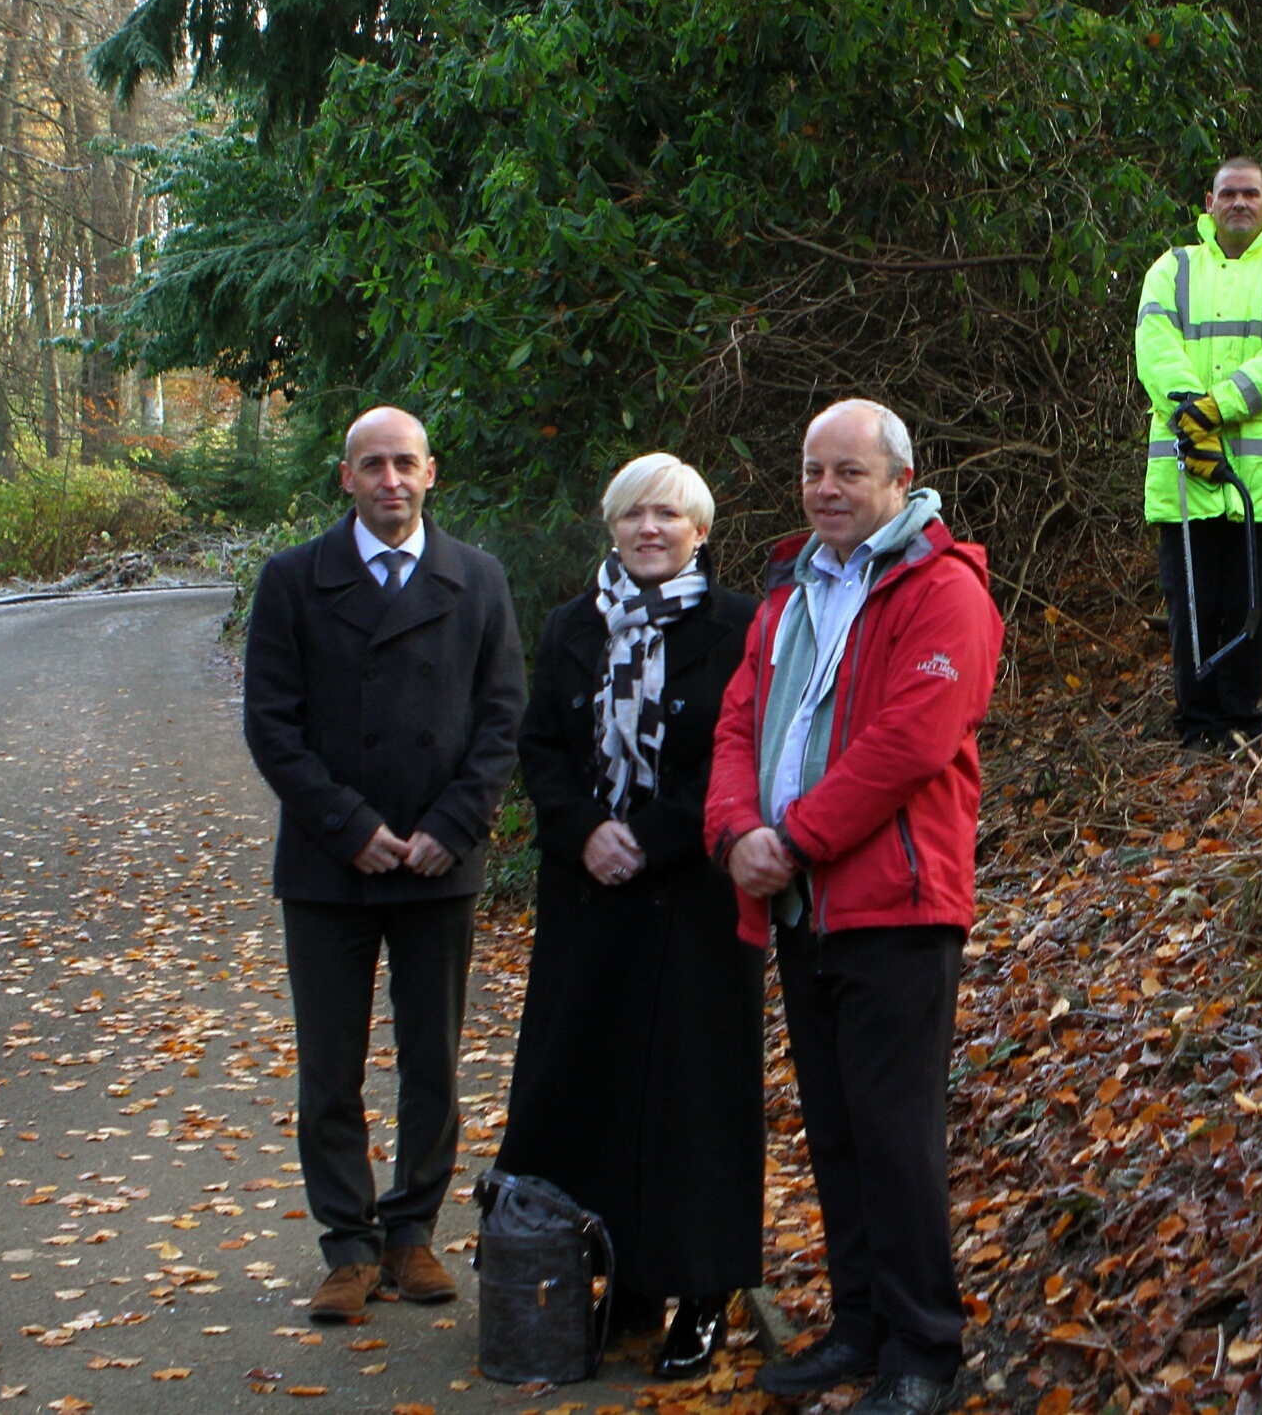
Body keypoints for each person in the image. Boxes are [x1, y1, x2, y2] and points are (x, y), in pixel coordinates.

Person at [704, 400, 1003, 1415]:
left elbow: (909, 744)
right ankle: (861, 1327)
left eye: (847, 473)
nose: (825, 490)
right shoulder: (788, 595)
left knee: (893, 1134)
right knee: (833, 1132)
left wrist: (791, 839)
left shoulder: (941, 590)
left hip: (897, 906)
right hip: (799, 909)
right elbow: (739, 721)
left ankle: (924, 1351)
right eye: (810, 472)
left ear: (897, 482)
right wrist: (734, 830)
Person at [241, 406, 525, 1323]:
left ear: (432, 473)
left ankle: (412, 1235)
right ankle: (348, 1248)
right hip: (330, 865)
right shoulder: (291, 579)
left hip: (441, 861)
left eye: (405, 462)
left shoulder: (477, 578)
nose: (390, 479)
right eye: (373, 464)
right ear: (346, 476)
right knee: (331, 1066)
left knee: (434, 1060)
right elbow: (272, 728)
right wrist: (350, 824)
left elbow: (502, 717)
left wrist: (455, 821)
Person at [494, 454, 765, 1378]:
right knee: (591, 1090)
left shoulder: (739, 626)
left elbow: (742, 752)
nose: (650, 528)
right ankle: (622, 1278)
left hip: (694, 897)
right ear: (610, 526)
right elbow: (541, 745)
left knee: (695, 1095)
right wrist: (583, 833)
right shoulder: (575, 625)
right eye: (633, 513)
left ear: (700, 530)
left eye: (668, 514)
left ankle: (703, 1290)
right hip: (588, 897)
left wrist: (647, 836)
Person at [1135, 156, 1262, 749]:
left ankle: (1240, 718)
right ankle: (1197, 723)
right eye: (1228, 194)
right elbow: (1154, 346)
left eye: (1251, 194)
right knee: (1192, 603)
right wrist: (1193, 411)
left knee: (1250, 605)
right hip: (1186, 476)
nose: (1239, 202)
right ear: (1208, 205)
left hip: (1259, 478)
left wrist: (1221, 405)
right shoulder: (1172, 270)